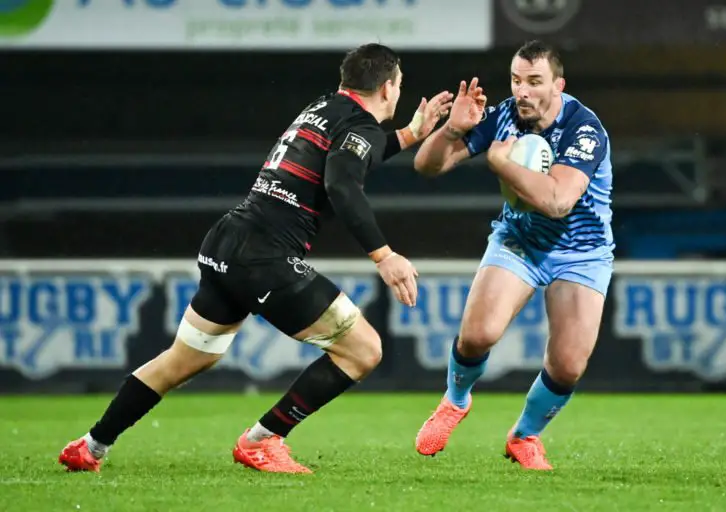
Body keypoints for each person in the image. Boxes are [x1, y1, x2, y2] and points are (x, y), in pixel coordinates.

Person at [58, 43, 453, 475]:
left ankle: (90, 446)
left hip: (228, 242)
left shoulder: (323, 108)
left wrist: (411, 134)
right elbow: (342, 183)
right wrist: (384, 255)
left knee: (184, 359)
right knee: (363, 350)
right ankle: (261, 440)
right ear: (388, 88)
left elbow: (354, 156)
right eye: (399, 85)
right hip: (266, 256)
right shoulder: (360, 125)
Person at [412, 40, 614, 470]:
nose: (522, 91)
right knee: (477, 335)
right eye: (516, 80)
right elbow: (427, 167)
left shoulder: (584, 129)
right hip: (520, 240)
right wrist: (451, 130)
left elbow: (558, 201)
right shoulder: (504, 115)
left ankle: (524, 436)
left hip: (582, 253)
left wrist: (503, 165)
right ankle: (455, 401)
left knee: (567, 366)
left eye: (534, 81)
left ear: (558, 86)